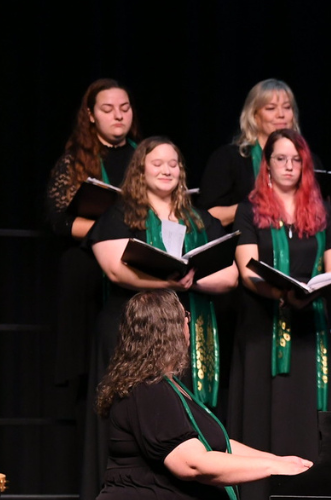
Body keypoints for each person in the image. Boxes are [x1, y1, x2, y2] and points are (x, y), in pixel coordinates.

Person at [84, 137, 239, 500]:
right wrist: (167, 280)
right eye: (157, 163)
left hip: (189, 330)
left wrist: (188, 278)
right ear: (140, 169)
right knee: (137, 414)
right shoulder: (121, 214)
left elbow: (230, 275)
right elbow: (115, 269)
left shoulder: (200, 218)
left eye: (174, 164)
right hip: (133, 330)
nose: (167, 169)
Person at [95, 290, 310, 500]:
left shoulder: (167, 386)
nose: (189, 322)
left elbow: (218, 444)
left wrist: (281, 461)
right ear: (170, 330)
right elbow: (191, 463)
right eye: (185, 316)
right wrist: (273, 467)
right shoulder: (148, 389)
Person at [229, 129, 331, 500]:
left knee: (303, 414)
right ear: (268, 164)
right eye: (281, 159)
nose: (289, 166)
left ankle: (308, 489)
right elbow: (247, 269)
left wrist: (309, 293)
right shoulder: (249, 209)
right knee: (263, 413)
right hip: (263, 323)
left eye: (296, 160)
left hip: (309, 324)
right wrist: (281, 292)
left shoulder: (322, 209)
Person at [45, 78, 139, 388]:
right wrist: (108, 231)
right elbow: (59, 221)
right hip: (88, 269)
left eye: (124, 108)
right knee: (90, 371)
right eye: (108, 109)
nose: (118, 116)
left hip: (137, 263)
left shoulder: (146, 158)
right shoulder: (75, 160)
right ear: (90, 115)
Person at [199, 79, 318, 228]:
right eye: (271, 108)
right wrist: (258, 208)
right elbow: (206, 217)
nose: (281, 115)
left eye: (287, 107)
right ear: (254, 115)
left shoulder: (308, 159)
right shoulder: (228, 158)